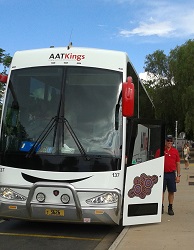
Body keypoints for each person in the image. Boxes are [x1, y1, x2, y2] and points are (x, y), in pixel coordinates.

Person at [155, 135, 181, 216]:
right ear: (165, 141)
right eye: (168, 141)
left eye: (171, 141)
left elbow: (178, 163)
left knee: (171, 191)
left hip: (171, 174)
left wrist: (178, 175)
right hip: (162, 174)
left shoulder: (175, 151)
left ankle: (170, 207)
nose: (169, 142)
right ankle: (161, 206)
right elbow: (156, 163)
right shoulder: (160, 151)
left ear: (172, 142)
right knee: (161, 191)